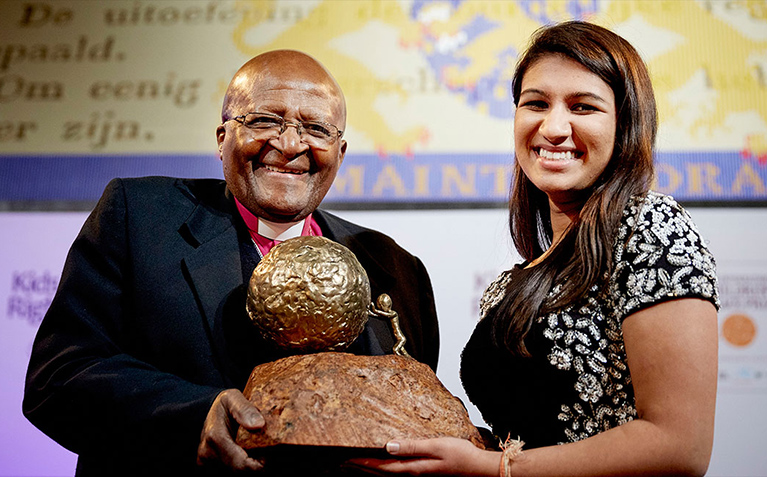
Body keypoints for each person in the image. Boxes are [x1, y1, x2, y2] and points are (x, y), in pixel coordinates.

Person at [22, 50, 439, 476]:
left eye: (316, 128)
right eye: (264, 121)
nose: (290, 144)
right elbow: (57, 379)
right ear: (222, 138)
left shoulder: (396, 269)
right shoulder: (140, 217)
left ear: (340, 150)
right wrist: (196, 415)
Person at [353, 20, 719, 477]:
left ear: (626, 125)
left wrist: (492, 469)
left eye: (583, 107)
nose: (554, 127)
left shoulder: (651, 228)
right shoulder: (512, 283)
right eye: (536, 104)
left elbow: (678, 446)